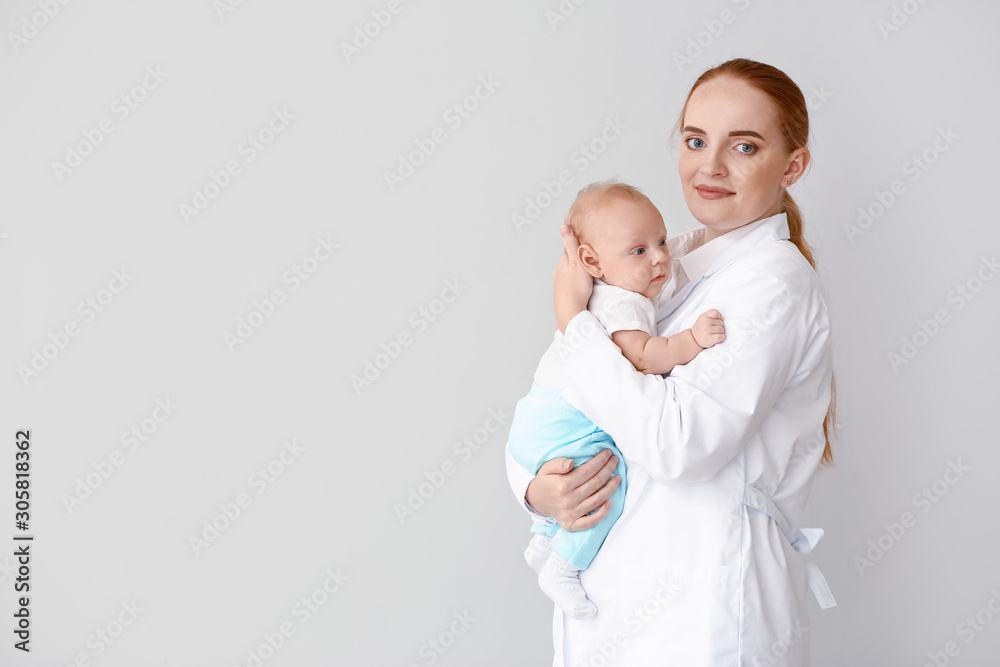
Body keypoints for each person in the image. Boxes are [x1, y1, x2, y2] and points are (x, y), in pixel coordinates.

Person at [505, 58, 837, 666]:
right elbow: (561, 402)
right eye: (695, 140)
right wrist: (538, 491)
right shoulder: (660, 263)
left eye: (743, 145)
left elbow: (679, 442)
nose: (709, 166)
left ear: (793, 166)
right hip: (620, 603)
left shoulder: (773, 283)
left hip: (706, 613)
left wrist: (575, 323)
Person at [508, 180, 725, 620]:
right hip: (565, 419)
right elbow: (644, 358)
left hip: (539, 418)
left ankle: (544, 539)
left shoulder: (616, 290)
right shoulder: (621, 305)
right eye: (639, 251)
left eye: (661, 241)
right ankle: (563, 568)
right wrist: (692, 340)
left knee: (578, 479)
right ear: (592, 262)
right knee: (609, 483)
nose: (661, 256)